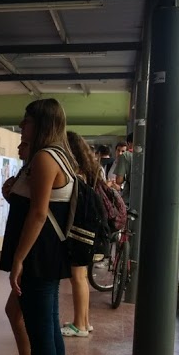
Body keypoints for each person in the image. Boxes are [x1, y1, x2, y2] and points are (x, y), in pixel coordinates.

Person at [0, 98, 73, 355]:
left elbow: (39, 213)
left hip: (38, 255)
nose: (21, 126)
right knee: (49, 330)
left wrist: (19, 259)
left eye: (26, 121)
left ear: (41, 123)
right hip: (48, 253)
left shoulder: (44, 158)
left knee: (42, 333)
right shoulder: (58, 156)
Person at [60, 131, 102, 337]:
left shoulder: (75, 174)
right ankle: (84, 321)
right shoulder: (89, 171)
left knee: (77, 277)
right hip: (88, 230)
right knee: (81, 276)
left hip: (79, 231)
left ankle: (80, 325)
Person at [0, 142, 34, 355]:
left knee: (35, 319)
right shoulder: (28, 169)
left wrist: (20, 259)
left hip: (31, 256)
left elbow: (38, 214)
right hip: (27, 253)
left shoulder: (39, 167)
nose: (19, 147)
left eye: (25, 143)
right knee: (14, 311)